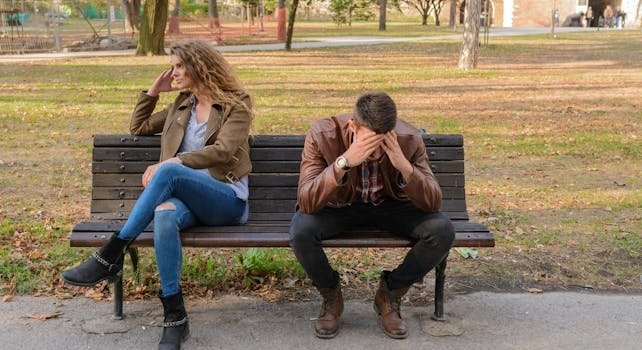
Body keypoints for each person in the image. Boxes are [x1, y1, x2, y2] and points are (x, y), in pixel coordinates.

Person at [62, 39, 253, 350]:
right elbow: (138, 127)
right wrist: (153, 91)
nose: (173, 72)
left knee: (168, 171)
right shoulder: (181, 105)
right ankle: (174, 317)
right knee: (164, 214)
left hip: (226, 198)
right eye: (172, 66)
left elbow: (223, 151)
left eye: (179, 66)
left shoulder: (237, 102)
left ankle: (111, 253)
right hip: (186, 199)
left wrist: (175, 161)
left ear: (199, 66)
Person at [289, 92, 454, 339]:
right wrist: (343, 163)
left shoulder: (408, 139)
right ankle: (331, 294)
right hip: (340, 207)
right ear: (353, 126)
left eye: (382, 143)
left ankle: (391, 292)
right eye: (369, 143)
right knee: (301, 230)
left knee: (442, 230)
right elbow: (307, 201)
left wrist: (402, 164)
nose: (375, 153)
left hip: (389, 206)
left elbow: (432, 202)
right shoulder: (323, 134)